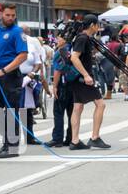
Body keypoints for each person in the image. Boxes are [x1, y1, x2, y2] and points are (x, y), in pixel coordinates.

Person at [0, 3, 28, 158]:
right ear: (1, 14)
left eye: (13, 15)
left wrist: (3, 71)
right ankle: (6, 141)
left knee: (11, 111)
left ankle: (13, 146)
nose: (11, 18)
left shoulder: (17, 32)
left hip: (10, 75)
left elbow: (23, 55)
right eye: (8, 15)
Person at [67, 15, 109, 150]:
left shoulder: (85, 38)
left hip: (78, 78)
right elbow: (74, 58)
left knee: (78, 107)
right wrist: (86, 75)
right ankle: (94, 138)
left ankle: (75, 140)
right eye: (97, 25)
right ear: (92, 25)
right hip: (83, 78)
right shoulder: (83, 38)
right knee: (100, 104)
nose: (99, 27)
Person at [46, 34, 73, 147]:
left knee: (58, 112)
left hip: (62, 85)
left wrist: (55, 86)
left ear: (64, 39)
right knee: (72, 113)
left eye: (59, 38)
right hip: (73, 84)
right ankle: (71, 138)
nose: (57, 40)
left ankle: (57, 138)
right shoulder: (72, 49)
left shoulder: (60, 51)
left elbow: (57, 71)